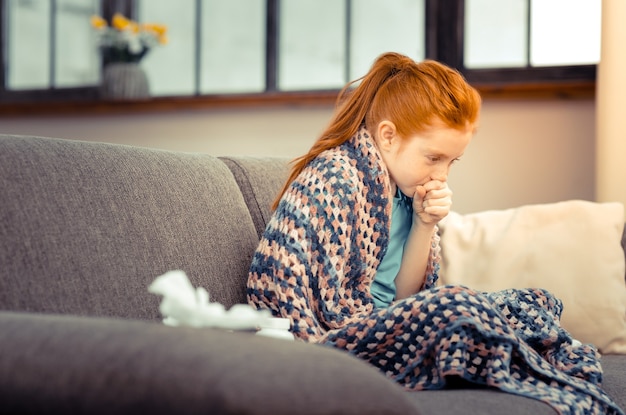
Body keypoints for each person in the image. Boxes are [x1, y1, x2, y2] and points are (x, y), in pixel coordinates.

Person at [247, 52, 622, 415]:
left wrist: (425, 225)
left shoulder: (407, 194)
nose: (441, 175)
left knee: (531, 302)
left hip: (391, 324)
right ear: (389, 137)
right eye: (433, 158)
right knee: (458, 305)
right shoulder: (335, 177)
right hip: (348, 334)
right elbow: (278, 274)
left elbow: (406, 298)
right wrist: (307, 346)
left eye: (451, 161)